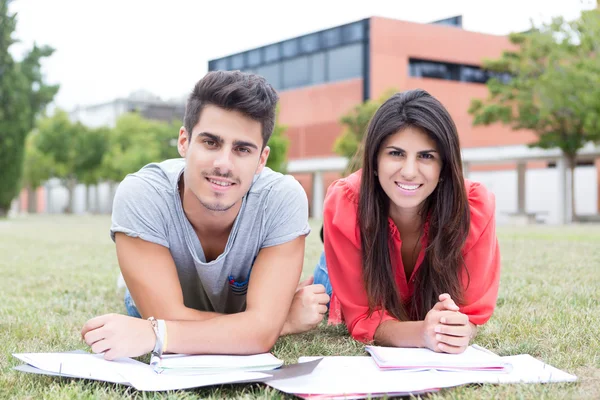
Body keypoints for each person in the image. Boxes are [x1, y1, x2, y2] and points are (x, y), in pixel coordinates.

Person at [81, 70, 329, 360]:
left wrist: (157, 333)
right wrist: (277, 324)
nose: (223, 164)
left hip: (231, 308)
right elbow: (165, 317)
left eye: (242, 149)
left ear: (262, 159)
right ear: (184, 141)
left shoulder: (282, 198)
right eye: (211, 143)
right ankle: (138, 275)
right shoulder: (142, 194)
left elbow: (167, 328)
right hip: (170, 299)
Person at [315, 89, 501, 354]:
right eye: (396, 153)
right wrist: (422, 333)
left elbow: (471, 312)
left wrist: (456, 330)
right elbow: (361, 317)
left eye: (426, 156)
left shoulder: (475, 207)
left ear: (443, 167)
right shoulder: (345, 202)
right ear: (375, 161)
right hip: (342, 265)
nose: (410, 172)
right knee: (322, 290)